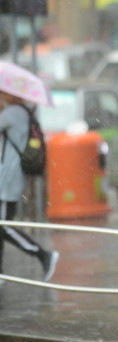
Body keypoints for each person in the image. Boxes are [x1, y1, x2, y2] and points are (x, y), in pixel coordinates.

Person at [0, 92, 59, 283]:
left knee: (3, 227)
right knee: (3, 226)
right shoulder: (22, 112)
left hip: (6, 183)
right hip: (10, 180)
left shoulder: (14, 113)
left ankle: (43, 255)